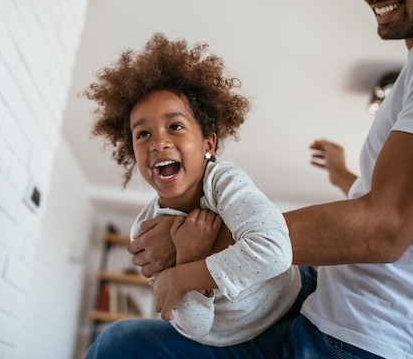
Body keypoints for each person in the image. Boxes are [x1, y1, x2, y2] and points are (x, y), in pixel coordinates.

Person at [91, 0, 413, 358]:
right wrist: (345, 176)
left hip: (378, 338)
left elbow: (387, 226)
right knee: (122, 344)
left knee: (124, 348)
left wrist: (192, 245)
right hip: (331, 307)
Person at [82, 33, 313, 351]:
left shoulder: (223, 182)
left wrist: (180, 277)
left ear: (208, 144)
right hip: (232, 340)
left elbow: (275, 251)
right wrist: (190, 256)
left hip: (293, 304)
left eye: (175, 126)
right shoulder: (145, 231)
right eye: (143, 134)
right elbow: (196, 328)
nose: (158, 142)